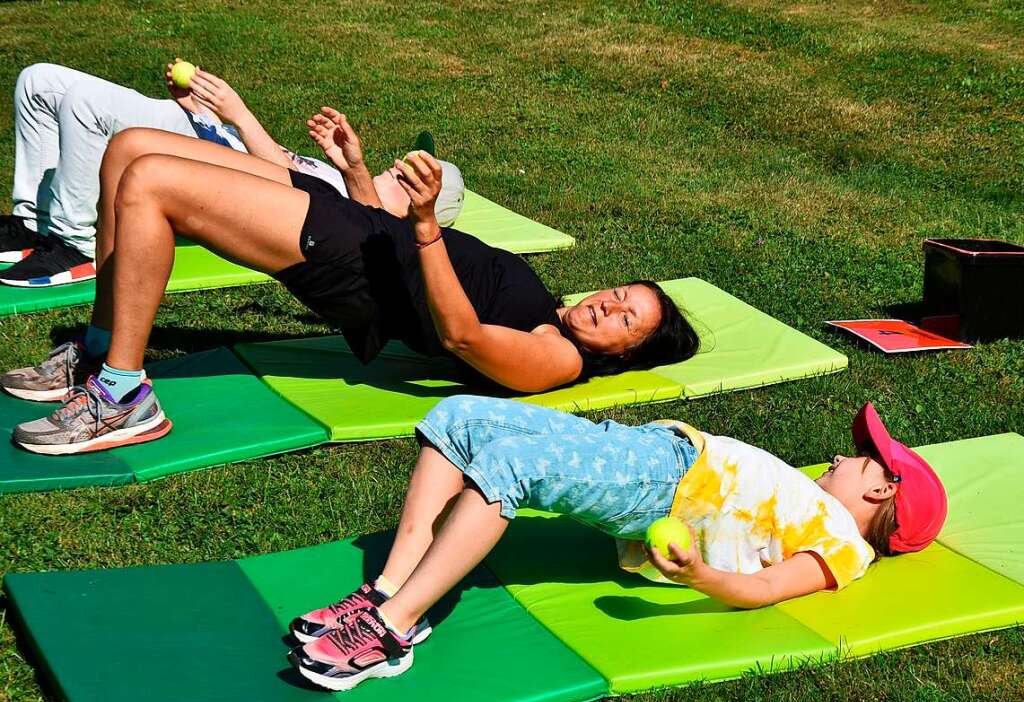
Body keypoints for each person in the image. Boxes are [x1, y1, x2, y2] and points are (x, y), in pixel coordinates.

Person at [2, 119, 699, 454]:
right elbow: (394, 233)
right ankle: (99, 350)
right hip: (358, 227)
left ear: (621, 353)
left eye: (623, 318)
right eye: (621, 293)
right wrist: (358, 170)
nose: (608, 303)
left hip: (352, 269)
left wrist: (426, 226)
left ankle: (124, 394)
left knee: (152, 184)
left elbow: (460, 335)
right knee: (130, 148)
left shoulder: (557, 357)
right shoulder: (544, 296)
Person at [284, 397, 947, 691]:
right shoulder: (818, 501)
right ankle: (390, 593)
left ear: (885, 491)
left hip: (662, 485)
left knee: (510, 467)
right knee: (456, 417)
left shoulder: (842, 548)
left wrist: (695, 575)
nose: (842, 454)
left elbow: (766, 588)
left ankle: (390, 633)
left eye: (862, 459)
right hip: (655, 450)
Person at [0, 62, 464, 286]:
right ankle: (31, 223)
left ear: (416, 211)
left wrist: (237, 112)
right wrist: (203, 114)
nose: (396, 167)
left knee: (83, 106)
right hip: (205, 136)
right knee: (39, 81)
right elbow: (267, 157)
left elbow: (273, 178)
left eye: (409, 179)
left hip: (197, 161)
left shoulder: (353, 222)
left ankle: (75, 243)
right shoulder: (343, 177)